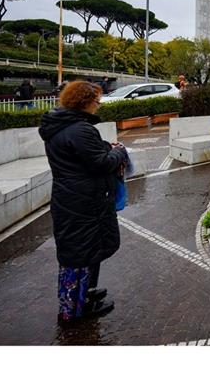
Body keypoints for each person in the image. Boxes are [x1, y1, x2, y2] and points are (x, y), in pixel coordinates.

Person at [39, 81, 128, 324]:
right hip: (84, 200)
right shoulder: (80, 130)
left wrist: (104, 149)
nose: (98, 105)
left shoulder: (60, 127)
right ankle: (75, 310)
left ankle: (84, 295)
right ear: (84, 102)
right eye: (96, 100)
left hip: (71, 196)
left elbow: (84, 157)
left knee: (83, 250)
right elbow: (101, 163)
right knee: (82, 252)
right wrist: (119, 152)